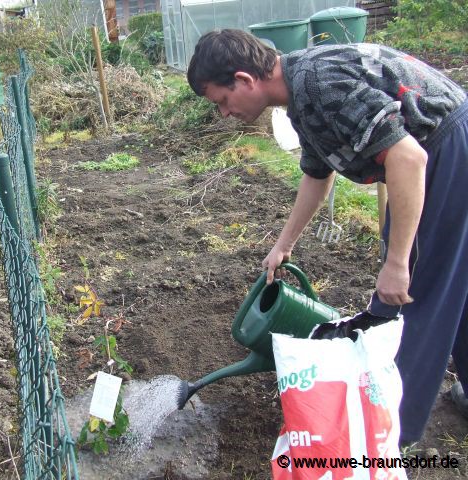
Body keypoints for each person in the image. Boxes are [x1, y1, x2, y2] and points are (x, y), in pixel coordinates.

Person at [187, 29, 468, 445]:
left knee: (410, 302)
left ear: (245, 80)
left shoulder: (319, 84)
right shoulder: (300, 96)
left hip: (446, 149)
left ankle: (382, 438)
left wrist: (395, 263)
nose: (224, 113)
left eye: (222, 101)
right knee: (453, 282)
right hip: (441, 151)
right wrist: (283, 244)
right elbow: (317, 174)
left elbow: (408, 157)